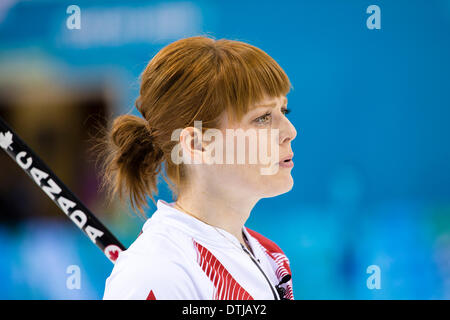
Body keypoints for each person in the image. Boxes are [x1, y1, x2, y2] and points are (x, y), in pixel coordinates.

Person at [100, 35, 297, 300]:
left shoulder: (270, 255)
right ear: (197, 144)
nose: (290, 131)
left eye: (284, 111)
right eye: (262, 118)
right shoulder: (156, 272)